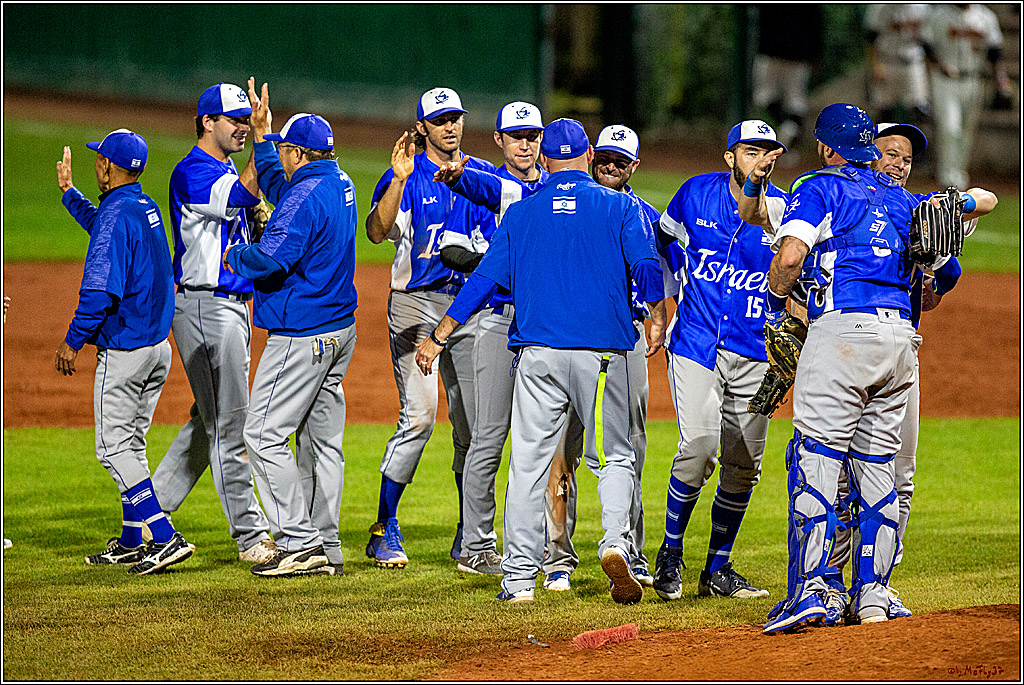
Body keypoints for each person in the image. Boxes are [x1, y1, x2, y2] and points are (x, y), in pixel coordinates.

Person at [416, 118, 667, 605]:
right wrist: (656, 315)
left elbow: (484, 280)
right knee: (613, 455)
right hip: (601, 358)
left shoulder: (523, 213)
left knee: (528, 463)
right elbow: (646, 265)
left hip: (537, 357)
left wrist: (441, 334)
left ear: (546, 160)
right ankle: (616, 542)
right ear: (589, 157)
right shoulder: (620, 207)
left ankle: (517, 579)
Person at [760, 103, 943, 633]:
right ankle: (873, 595)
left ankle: (815, 591)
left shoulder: (820, 187)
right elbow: (932, 280)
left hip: (843, 335)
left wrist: (777, 299)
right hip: (900, 340)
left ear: (824, 146)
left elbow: (791, 255)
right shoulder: (906, 202)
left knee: (815, 459)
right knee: (878, 467)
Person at [819, 122, 998, 625]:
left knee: (899, 477)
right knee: (837, 478)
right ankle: (830, 584)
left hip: (898, 359)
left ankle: (876, 584)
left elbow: (982, 208)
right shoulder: (838, 203)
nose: (898, 163)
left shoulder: (915, 215)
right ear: (862, 155)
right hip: (843, 352)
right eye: (889, 153)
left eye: (906, 158)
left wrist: (935, 251)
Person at [223, 84, 358, 577]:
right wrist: (262, 136)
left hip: (303, 333)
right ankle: (327, 543)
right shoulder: (339, 181)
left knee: (261, 436)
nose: (277, 155)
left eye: (282, 149)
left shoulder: (306, 194)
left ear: (299, 153)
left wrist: (233, 254)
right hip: (340, 331)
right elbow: (286, 191)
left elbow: (269, 256)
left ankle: (300, 544)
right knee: (323, 443)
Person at [651, 120, 787, 603]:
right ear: (730, 155)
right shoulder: (695, 193)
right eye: (752, 150)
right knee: (701, 446)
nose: (762, 159)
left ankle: (718, 568)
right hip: (695, 343)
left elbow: (799, 269)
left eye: (770, 152)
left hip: (755, 352)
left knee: (744, 465)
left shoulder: (782, 211)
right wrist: (664, 303)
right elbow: (663, 243)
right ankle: (670, 553)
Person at [364, 87, 496, 569]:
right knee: (419, 419)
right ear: (423, 127)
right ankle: (384, 527)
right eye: (439, 120)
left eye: (456, 118)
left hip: (467, 308)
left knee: (475, 430)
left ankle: (472, 532)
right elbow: (377, 233)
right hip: (416, 307)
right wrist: (397, 181)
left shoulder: (482, 174)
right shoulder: (408, 174)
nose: (450, 126)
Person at [56, 129, 192, 575]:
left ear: (108, 167)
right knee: (132, 445)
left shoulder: (118, 214)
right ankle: (133, 539)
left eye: (99, 159)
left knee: (113, 449)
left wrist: (73, 341)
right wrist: (71, 195)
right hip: (157, 349)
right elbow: (105, 226)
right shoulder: (143, 206)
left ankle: (164, 537)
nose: (97, 163)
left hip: (126, 351)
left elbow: (98, 292)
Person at [151, 82, 275, 565]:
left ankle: (148, 515)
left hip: (231, 308)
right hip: (206, 307)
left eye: (248, 120)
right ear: (207, 122)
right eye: (236, 120)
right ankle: (250, 536)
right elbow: (244, 193)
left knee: (209, 421)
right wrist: (264, 143)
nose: (244, 127)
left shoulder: (221, 165)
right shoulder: (193, 170)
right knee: (231, 424)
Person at [922, 4, 1011, 189]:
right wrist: (938, 65)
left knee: (966, 130)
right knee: (949, 127)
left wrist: (1001, 81)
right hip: (945, 78)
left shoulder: (986, 17)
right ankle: (947, 177)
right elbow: (926, 45)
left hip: (973, 77)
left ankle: (960, 176)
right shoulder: (938, 14)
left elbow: (995, 51)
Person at [751, 4, 824, 152]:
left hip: (772, 51)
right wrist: (816, 54)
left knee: (764, 97)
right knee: (795, 101)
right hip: (796, 54)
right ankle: (788, 132)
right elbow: (816, 24)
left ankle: (785, 132)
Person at [864, 5, 932, 124]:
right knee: (884, 111)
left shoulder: (922, 7)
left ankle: (915, 142)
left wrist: (928, 69)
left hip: (914, 62)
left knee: (919, 110)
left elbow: (928, 42)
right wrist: (876, 65)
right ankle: (883, 141)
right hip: (887, 61)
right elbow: (871, 37)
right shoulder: (878, 7)